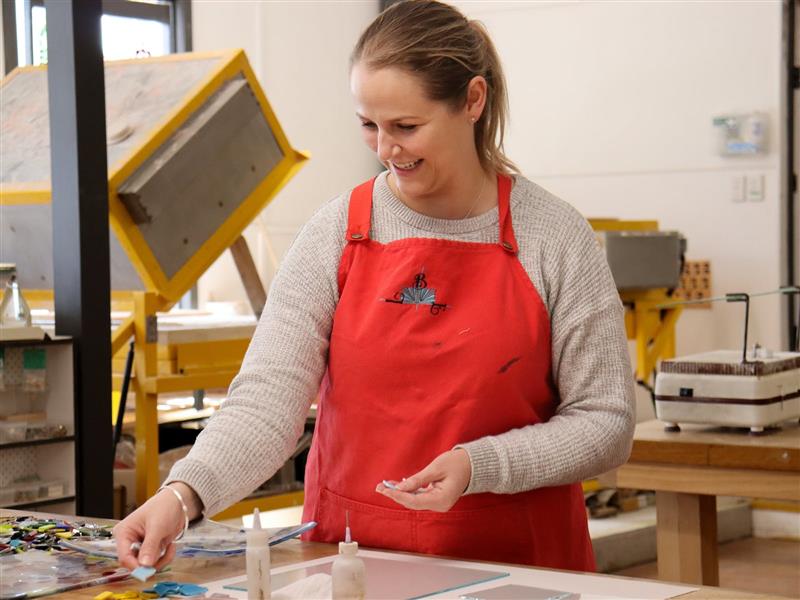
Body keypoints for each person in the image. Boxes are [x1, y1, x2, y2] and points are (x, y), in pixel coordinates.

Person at [114, 0, 635, 572]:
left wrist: (479, 465)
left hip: (518, 565)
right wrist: (183, 495)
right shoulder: (336, 231)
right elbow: (266, 402)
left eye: (407, 127)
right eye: (369, 125)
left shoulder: (553, 236)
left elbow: (605, 421)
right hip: (356, 560)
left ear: (472, 101)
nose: (386, 150)